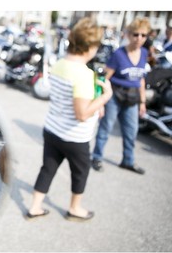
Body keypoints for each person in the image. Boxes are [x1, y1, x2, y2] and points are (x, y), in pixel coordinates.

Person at [26, 18, 112, 222]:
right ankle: (75, 208)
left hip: (52, 129)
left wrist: (95, 105)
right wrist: (104, 97)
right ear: (90, 46)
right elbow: (81, 114)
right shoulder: (83, 74)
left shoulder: (59, 64)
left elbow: (67, 99)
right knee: (80, 173)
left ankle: (35, 207)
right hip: (74, 137)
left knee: (47, 168)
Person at [91, 17, 151, 175]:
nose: (139, 38)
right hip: (115, 96)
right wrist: (101, 101)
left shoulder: (144, 53)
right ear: (129, 35)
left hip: (132, 98)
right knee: (106, 128)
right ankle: (96, 157)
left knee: (132, 131)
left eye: (143, 35)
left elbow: (141, 79)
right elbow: (106, 77)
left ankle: (128, 161)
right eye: (136, 34)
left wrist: (142, 102)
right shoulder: (119, 54)